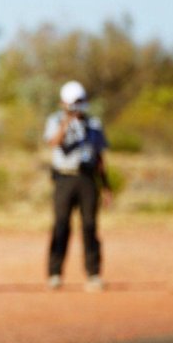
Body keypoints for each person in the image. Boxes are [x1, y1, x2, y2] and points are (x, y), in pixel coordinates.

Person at [44, 80, 112, 292]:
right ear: (62, 103)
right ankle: (54, 273)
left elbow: (99, 157)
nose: (76, 106)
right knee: (61, 225)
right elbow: (53, 142)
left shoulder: (94, 125)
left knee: (90, 226)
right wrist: (66, 123)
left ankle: (93, 274)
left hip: (87, 179)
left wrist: (106, 186)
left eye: (79, 102)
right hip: (64, 178)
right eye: (72, 103)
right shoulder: (55, 121)